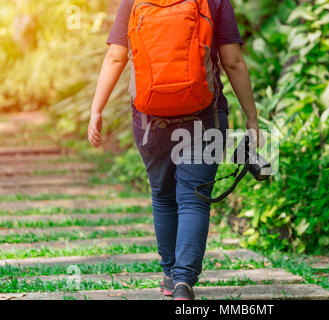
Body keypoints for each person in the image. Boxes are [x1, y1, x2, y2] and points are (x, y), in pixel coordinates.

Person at [88, 0, 260, 300]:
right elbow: (232, 61)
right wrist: (251, 117)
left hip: (149, 122)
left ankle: (169, 275)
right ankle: (184, 282)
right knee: (194, 198)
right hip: (202, 118)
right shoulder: (215, 1)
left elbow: (116, 58)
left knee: (163, 197)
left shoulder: (133, 1)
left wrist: (96, 109)